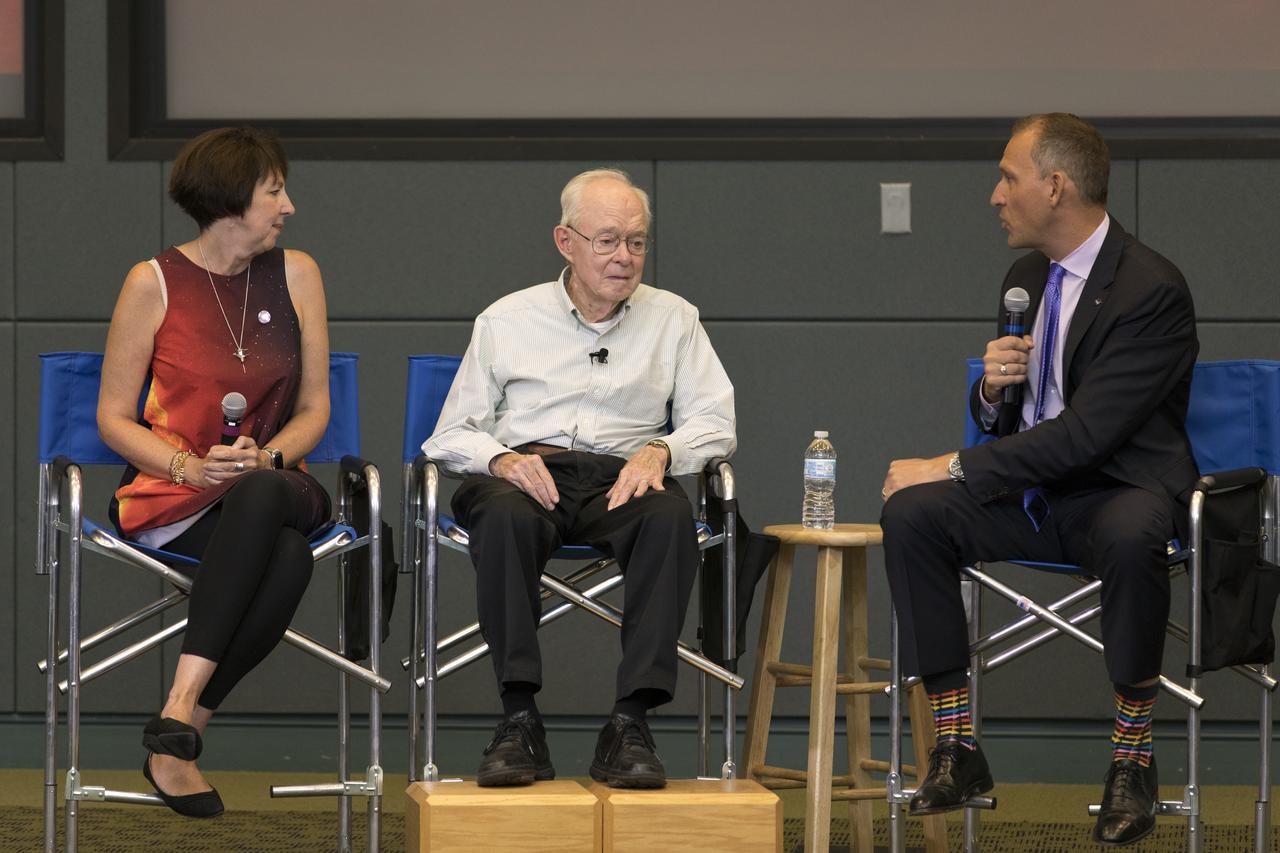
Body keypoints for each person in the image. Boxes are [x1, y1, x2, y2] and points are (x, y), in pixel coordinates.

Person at [879, 113, 1198, 847]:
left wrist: (952, 461)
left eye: (1008, 177)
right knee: (915, 516)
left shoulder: (1151, 289)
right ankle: (956, 746)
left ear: (1055, 187)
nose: (996, 195)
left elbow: (1087, 435)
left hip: (1116, 491)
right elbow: (1016, 423)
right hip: (1035, 496)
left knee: (1132, 532)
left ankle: (1133, 759)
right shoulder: (1026, 277)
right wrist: (991, 393)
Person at [423, 168, 736, 789]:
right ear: (566, 242)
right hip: (525, 474)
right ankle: (519, 719)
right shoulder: (507, 319)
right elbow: (449, 435)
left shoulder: (675, 319)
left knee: (671, 516)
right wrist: (503, 461)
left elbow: (716, 422)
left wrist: (663, 451)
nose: (625, 257)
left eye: (638, 242)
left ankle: (631, 722)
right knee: (505, 515)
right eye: (608, 241)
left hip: (623, 478)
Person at [98, 127, 331, 818]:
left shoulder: (298, 274)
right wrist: (189, 466)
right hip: (179, 495)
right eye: (274, 191)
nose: (287, 205)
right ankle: (181, 739)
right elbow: (114, 418)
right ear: (232, 201)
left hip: (279, 481)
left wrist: (272, 455)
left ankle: (176, 704)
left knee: (263, 492)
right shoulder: (153, 282)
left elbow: (315, 407)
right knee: (287, 560)